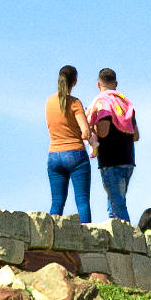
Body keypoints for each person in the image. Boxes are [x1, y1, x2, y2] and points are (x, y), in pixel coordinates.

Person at [87, 67, 139, 225]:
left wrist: (91, 127)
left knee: (118, 205)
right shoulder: (125, 103)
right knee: (115, 203)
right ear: (115, 84)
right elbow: (136, 135)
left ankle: (129, 242)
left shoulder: (102, 102)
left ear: (98, 84)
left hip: (111, 160)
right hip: (128, 159)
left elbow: (103, 132)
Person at [44, 64, 93, 223]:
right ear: (75, 82)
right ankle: (87, 238)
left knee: (57, 202)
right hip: (75, 153)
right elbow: (86, 132)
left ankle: (50, 236)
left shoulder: (49, 102)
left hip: (54, 154)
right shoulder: (75, 103)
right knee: (82, 200)